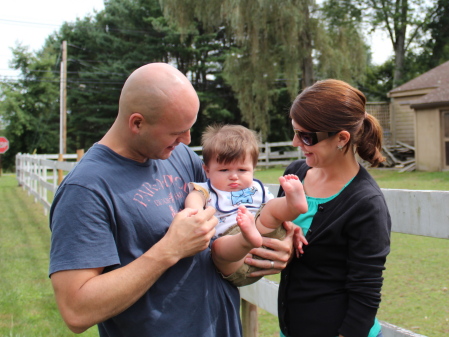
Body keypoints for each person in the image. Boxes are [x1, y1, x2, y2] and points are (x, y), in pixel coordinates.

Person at [48, 63, 295, 337]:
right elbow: (76, 310)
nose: (187, 139)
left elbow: (231, 210)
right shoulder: (85, 189)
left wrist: (274, 227)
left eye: (189, 128)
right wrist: (169, 249)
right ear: (137, 123)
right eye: (176, 131)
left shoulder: (178, 154)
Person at [277, 79, 391, 337]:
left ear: (341, 138)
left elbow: (365, 295)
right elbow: (271, 227)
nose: (296, 143)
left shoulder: (366, 203)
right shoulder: (294, 174)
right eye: (295, 132)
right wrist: (283, 233)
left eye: (306, 136)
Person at [185, 125, 308, 287]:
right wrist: (193, 211)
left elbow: (274, 212)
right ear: (207, 171)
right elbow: (194, 197)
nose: (234, 176)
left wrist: (289, 223)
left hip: (266, 239)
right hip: (235, 258)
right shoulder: (207, 190)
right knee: (218, 248)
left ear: (253, 169)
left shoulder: (256, 189)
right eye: (224, 170)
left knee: (270, 210)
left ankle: (293, 205)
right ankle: (245, 238)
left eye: (242, 170)